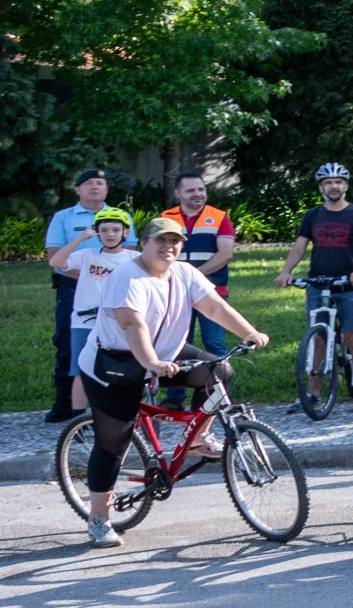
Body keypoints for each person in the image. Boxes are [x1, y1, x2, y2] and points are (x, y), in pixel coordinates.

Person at [77, 217, 272, 547]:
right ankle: (99, 518)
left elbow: (214, 307)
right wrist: (151, 363)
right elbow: (131, 325)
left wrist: (249, 332)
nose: (169, 246)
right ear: (144, 244)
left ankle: (198, 438)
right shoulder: (128, 276)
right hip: (115, 362)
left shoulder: (184, 272)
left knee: (218, 373)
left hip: (166, 351)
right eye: (161, 240)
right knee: (113, 443)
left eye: (176, 241)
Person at [276, 163, 353, 409]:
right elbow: (300, 247)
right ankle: (312, 394)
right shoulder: (312, 215)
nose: (334, 186)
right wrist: (286, 272)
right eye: (328, 182)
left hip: (348, 286)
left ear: (345, 185)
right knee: (318, 339)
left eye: (338, 182)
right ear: (321, 187)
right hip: (318, 284)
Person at [49, 208, 138, 412]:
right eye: (104, 230)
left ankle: (121, 411)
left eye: (116, 230)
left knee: (124, 367)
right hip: (85, 321)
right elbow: (56, 262)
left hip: (120, 322)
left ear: (125, 233)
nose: (110, 234)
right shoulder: (86, 255)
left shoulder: (134, 258)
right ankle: (78, 418)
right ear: (96, 232)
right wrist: (79, 239)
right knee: (81, 369)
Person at [45, 169, 113, 421]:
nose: (94, 186)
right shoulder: (63, 217)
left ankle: (106, 403)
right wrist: (89, 277)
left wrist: (104, 281)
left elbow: (128, 253)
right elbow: (54, 256)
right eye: (88, 183)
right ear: (77, 189)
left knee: (114, 342)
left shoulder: (119, 216)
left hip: (112, 290)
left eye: (100, 182)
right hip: (72, 287)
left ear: (106, 188)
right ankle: (65, 403)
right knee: (66, 341)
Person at [161, 173, 237, 362]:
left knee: (214, 343)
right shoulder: (166, 218)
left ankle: (220, 390)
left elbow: (225, 253)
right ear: (178, 193)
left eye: (201, 189)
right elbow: (157, 251)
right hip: (174, 291)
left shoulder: (219, 217)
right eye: (191, 190)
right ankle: (175, 392)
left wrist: (193, 275)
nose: (198, 194)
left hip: (212, 290)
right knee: (177, 344)